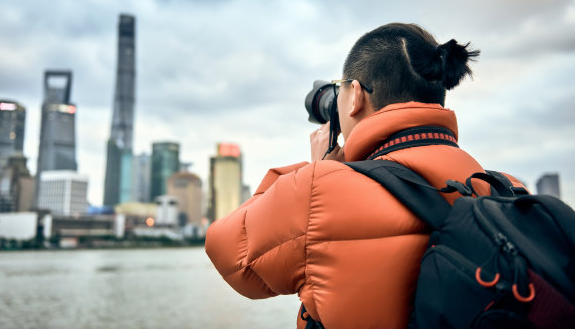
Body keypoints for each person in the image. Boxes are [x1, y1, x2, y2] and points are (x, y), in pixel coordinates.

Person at [205, 23, 526, 329]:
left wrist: (316, 170)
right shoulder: (508, 190)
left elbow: (226, 251)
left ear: (355, 95)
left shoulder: (318, 191)